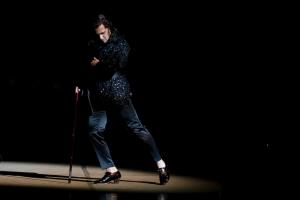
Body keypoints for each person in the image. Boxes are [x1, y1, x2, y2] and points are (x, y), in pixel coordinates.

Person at [79, 14, 170, 184]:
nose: (101, 37)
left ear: (109, 28)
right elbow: (87, 66)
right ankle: (111, 170)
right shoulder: (93, 43)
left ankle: (161, 164)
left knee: (137, 128)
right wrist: (82, 84)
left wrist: (100, 63)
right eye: (98, 34)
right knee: (94, 130)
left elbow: (120, 63)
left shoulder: (121, 43)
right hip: (99, 93)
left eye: (103, 33)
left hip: (118, 91)